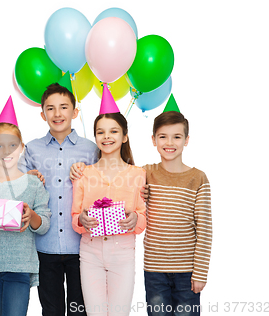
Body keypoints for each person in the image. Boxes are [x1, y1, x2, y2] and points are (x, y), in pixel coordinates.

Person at [21, 83, 97, 315]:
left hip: (82, 246)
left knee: (79, 309)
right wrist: (27, 178)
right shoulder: (32, 149)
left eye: (64, 107)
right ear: (43, 114)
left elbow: (106, 187)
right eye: (51, 108)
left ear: (75, 112)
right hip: (44, 245)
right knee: (51, 310)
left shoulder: (91, 149)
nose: (57, 113)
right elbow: (13, 189)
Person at [0, 97, 51, 316]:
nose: (6, 151)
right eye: (0, 146)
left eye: (12, 145)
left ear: (21, 148)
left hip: (20, 265)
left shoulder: (33, 183)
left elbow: (43, 224)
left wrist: (30, 215)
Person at [70, 89, 146, 316]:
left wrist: (135, 219)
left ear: (124, 136)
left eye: (113, 131)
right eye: (100, 132)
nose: (107, 136)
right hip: (90, 251)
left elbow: (142, 220)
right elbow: (75, 219)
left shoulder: (138, 174)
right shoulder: (83, 173)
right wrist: (82, 220)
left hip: (122, 252)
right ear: (95, 137)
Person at [143, 107, 212, 316]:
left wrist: (200, 273)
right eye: (163, 136)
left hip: (187, 272)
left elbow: (205, 229)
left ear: (186, 140)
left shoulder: (198, 178)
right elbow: (116, 178)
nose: (169, 143)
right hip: (154, 270)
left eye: (177, 137)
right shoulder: (145, 173)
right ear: (154, 140)